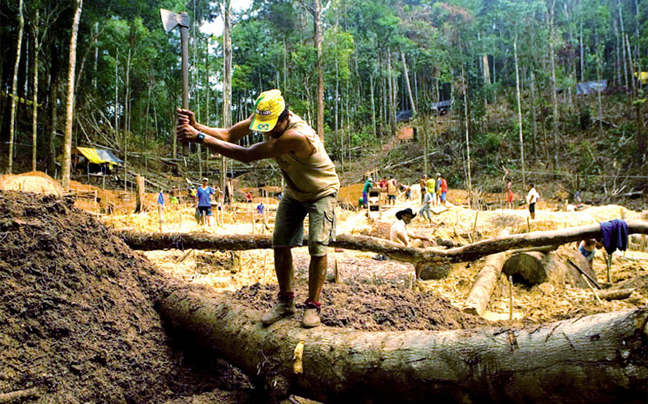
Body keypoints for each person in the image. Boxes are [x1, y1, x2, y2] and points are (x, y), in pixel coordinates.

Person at [177, 89, 339, 328]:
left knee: (317, 245)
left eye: (273, 127)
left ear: (284, 118)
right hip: (295, 191)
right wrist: (197, 126)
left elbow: (247, 155)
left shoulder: (297, 136)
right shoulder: (264, 119)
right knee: (280, 241)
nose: (268, 132)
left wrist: (199, 138)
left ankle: (313, 306)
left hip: (321, 192)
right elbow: (230, 134)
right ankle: (285, 302)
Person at [390, 208, 432, 280]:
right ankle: (417, 277)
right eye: (407, 217)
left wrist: (426, 238)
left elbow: (413, 235)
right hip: (399, 250)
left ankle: (422, 254)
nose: (408, 219)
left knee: (419, 242)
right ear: (402, 216)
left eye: (410, 217)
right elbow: (398, 233)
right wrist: (406, 243)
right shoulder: (400, 224)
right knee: (420, 255)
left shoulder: (403, 226)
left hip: (401, 248)